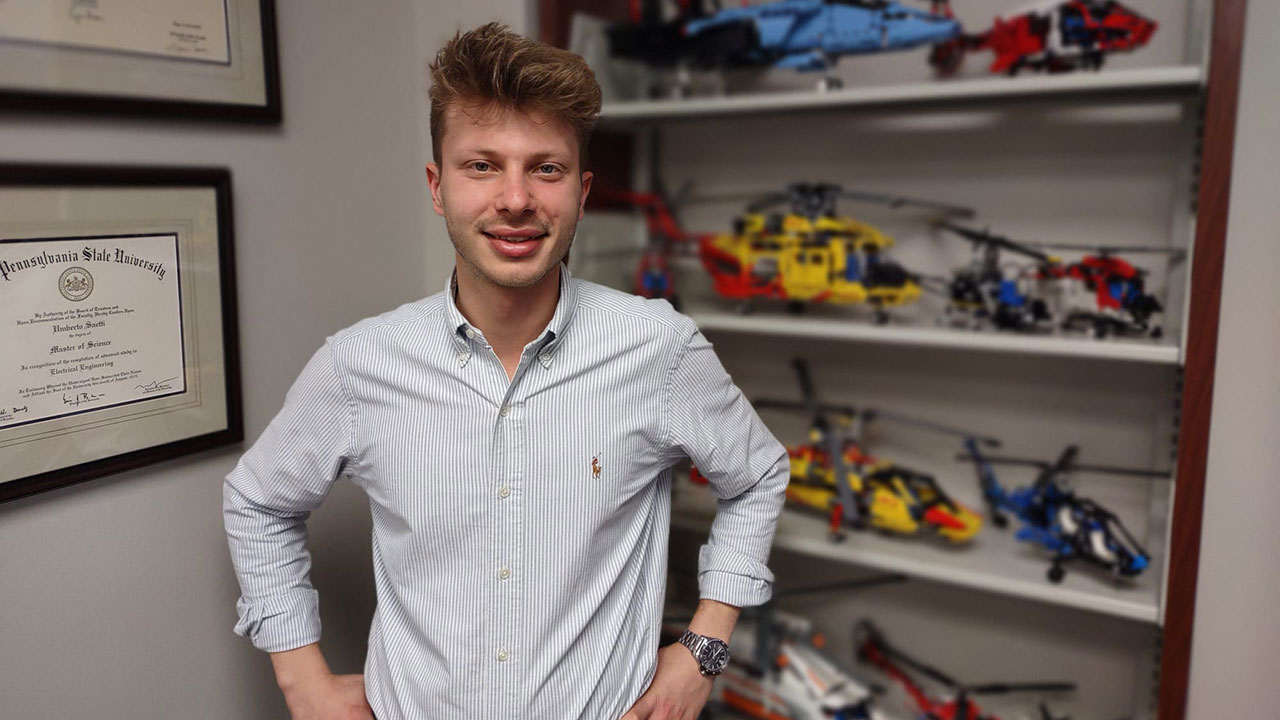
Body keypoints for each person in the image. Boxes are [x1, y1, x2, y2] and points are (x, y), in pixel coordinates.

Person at [223, 23, 788, 720]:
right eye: (482, 166)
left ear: (581, 191)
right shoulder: (358, 365)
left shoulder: (657, 347)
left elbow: (758, 475)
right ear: (438, 186)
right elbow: (258, 503)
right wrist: (300, 677)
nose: (515, 199)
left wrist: (705, 648)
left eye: (544, 168)